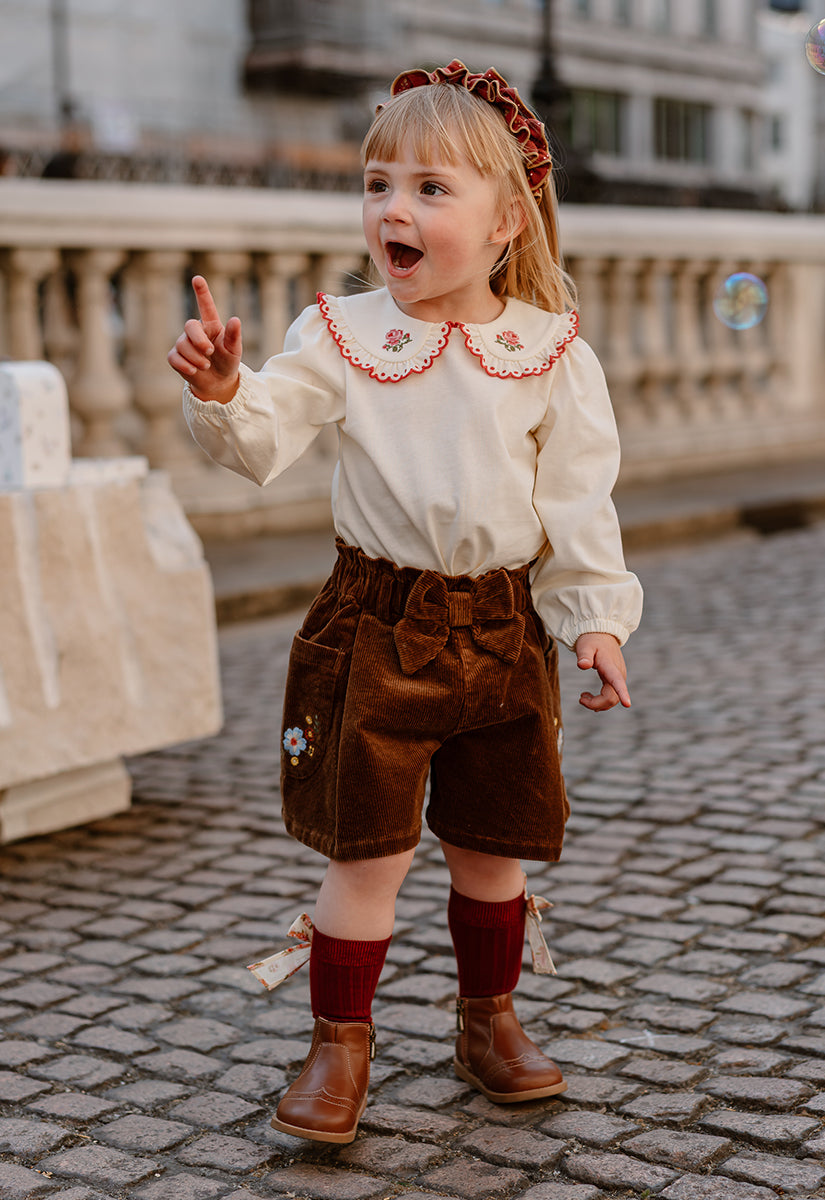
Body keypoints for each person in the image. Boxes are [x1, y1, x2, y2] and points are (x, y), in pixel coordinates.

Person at [168, 59, 643, 1145]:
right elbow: (262, 439)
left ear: (507, 221)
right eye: (378, 183)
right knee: (367, 854)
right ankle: (339, 1045)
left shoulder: (549, 353)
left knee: (492, 850)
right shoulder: (340, 333)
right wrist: (225, 390)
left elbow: (580, 504)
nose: (395, 208)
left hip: (502, 633)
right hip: (374, 629)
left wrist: (595, 623)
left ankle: (489, 1022)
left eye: (431, 188)